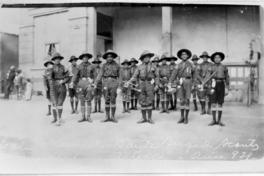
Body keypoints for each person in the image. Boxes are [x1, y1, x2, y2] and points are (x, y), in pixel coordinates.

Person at [126, 50, 159, 124]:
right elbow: (135, 76)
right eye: (145, 57)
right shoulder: (139, 67)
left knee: (149, 101)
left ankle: (149, 118)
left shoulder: (153, 66)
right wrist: (129, 81)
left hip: (150, 84)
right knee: (142, 101)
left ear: (150, 58)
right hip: (141, 84)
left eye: (148, 57)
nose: (146, 59)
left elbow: (157, 76)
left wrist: (156, 85)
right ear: (142, 58)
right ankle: (143, 118)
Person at [94, 50, 120, 123]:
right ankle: (107, 116)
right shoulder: (104, 65)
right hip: (105, 83)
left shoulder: (117, 65)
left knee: (113, 100)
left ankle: (113, 116)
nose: (109, 58)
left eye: (111, 56)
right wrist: (95, 83)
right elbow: (100, 75)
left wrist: (119, 87)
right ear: (106, 58)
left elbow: (120, 77)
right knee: (106, 100)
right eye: (108, 57)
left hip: (114, 82)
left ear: (113, 57)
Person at [169, 49, 194, 124]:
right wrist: (170, 82)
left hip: (188, 82)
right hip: (180, 82)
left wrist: (194, 84)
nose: (184, 56)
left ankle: (186, 118)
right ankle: (182, 117)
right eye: (182, 55)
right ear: (180, 56)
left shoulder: (191, 64)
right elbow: (174, 74)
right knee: (181, 100)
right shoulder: (178, 65)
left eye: (185, 54)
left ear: (188, 56)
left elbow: (195, 75)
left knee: (187, 100)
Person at [208, 52, 230, 126]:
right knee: (213, 103)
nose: (217, 59)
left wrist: (227, 87)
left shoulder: (224, 67)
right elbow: (208, 78)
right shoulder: (211, 67)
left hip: (221, 84)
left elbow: (227, 77)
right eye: (215, 58)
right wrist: (209, 87)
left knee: (220, 103)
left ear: (221, 59)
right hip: (213, 85)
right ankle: (214, 120)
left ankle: (219, 120)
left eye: (218, 57)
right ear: (213, 59)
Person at [73, 51, 95, 123]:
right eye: (84, 57)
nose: (85, 58)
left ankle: (88, 116)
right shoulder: (79, 66)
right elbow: (75, 76)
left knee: (88, 99)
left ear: (88, 58)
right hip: (81, 83)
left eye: (86, 57)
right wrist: (76, 86)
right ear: (82, 58)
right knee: (82, 100)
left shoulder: (92, 66)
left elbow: (95, 76)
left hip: (89, 82)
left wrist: (93, 82)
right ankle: (83, 116)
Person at [50, 52, 70, 126]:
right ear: (54, 60)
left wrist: (63, 81)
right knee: (54, 102)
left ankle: (59, 119)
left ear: (60, 59)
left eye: (58, 59)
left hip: (62, 86)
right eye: (55, 59)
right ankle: (55, 118)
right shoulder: (51, 68)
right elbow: (50, 78)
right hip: (54, 86)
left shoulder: (64, 67)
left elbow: (68, 76)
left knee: (60, 103)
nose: (57, 60)